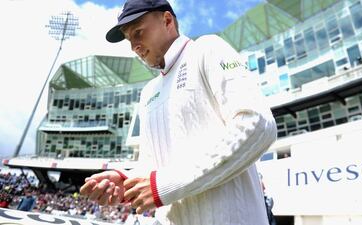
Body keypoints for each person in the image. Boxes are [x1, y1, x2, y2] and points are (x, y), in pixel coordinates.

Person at [79, 0, 277, 224]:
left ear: (167, 20)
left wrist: (163, 186)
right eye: (129, 39)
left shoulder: (207, 49)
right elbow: (151, 165)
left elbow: (257, 124)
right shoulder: (148, 93)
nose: (134, 46)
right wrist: (125, 182)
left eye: (138, 32)